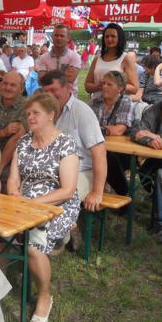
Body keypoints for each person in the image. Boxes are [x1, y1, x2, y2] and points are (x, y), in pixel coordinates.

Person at [7, 92, 79, 322]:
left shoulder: (65, 143)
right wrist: (14, 194)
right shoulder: (23, 142)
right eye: (28, 113)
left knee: (33, 246)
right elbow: (13, 179)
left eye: (36, 113)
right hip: (26, 203)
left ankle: (45, 296)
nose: (30, 117)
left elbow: (67, 190)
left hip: (58, 206)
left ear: (51, 115)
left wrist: (34, 204)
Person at [39, 70, 107, 214]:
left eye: (54, 90)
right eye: (46, 92)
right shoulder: (44, 112)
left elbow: (100, 153)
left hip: (82, 172)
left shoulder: (82, 111)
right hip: (52, 171)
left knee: (57, 202)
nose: (50, 95)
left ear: (67, 88)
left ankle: (61, 228)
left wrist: (97, 192)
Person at [129, 75, 162, 243]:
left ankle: (161, 223)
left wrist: (158, 137)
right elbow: (136, 130)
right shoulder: (158, 108)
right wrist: (148, 139)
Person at [89, 71, 135, 195]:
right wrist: (106, 130)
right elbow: (86, 124)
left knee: (107, 157)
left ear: (120, 88)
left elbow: (119, 129)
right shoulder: (95, 101)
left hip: (122, 151)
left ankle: (122, 191)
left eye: (109, 84)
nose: (104, 86)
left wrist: (100, 130)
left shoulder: (125, 102)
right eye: (103, 83)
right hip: (99, 146)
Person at [84, 23, 139, 96]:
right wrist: (98, 86)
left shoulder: (126, 58)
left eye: (113, 36)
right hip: (97, 101)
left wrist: (115, 86)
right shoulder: (97, 59)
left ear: (119, 38)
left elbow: (134, 88)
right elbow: (87, 86)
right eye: (107, 36)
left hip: (118, 102)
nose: (109, 39)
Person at [36, 25, 81, 93]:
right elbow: (41, 80)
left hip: (69, 94)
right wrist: (64, 74)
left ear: (68, 38)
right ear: (52, 37)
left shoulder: (75, 57)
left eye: (62, 36)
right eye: (56, 35)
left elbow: (70, 79)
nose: (59, 38)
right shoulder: (43, 57)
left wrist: (48, 74)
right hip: (49, 94)